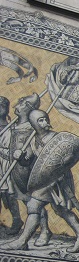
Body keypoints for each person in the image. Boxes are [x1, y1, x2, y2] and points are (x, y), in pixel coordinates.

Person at [2, 109, 79, 252]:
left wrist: (63, 166)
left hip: (58, 180)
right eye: (40, 120)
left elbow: (66, 158)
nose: (45, 122)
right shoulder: (32, 140)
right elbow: (27, 161)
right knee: (53, 209)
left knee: (50, 208)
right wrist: (21, 157)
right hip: (44, 181)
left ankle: (22, 241)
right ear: (33, 124)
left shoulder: (56, 138)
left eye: (45, 119)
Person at [0, 96, 23, 235]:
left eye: (2, 105)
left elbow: (14, 147)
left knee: (9, 193)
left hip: (6, 163)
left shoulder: (12, 126)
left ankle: (16, 220)